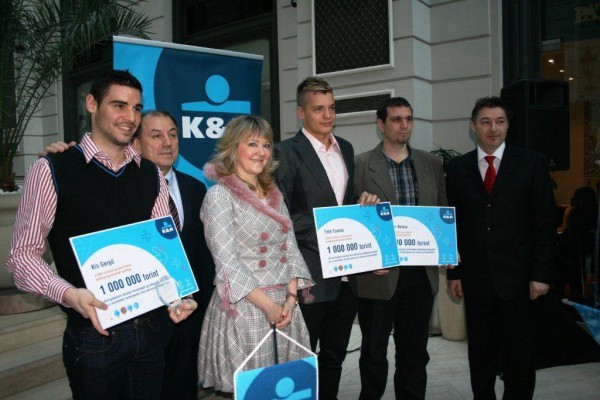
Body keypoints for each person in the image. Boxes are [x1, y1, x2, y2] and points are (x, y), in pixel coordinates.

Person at [6, 70, 196, 400]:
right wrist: (68, 294)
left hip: (150, 332)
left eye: (136, 108)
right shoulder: (52, 169)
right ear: (92, 104)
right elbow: (21, 256)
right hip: (92, 338)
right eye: (119, 106)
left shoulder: (150, 174)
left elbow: (162, 247)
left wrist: (178, 296)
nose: (130, 117)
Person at [41, 109, 216, 399]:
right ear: (135, 143)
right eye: (156, 136)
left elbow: (202, 256)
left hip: (184, 316)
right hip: (136, 321)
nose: (167, 143)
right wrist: (64, 159)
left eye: (173, 135)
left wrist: (199, 304)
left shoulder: (196, 188)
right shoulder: (118, 188)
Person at [275, 77, 378, 400]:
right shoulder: (285, 152)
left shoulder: (345, 148)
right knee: (302, 360)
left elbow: (342, 204)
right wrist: (330, 233)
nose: (327, 115)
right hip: (309, 276)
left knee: (334, 356)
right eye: (318, 109)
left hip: (346, 277)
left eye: (331, 108)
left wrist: (361, 205)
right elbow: (282, 215)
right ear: (301, 113)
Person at [446, 96, 556, 399]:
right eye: (486, 122)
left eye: (500, 121)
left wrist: (541, 274)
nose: (493, 128)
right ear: (473, 126)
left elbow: (544, 224)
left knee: (520, 356)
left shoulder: (531, 163)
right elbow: (453, 224)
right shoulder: (457, 168)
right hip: (477, 280)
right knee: (480, 356)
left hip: (520, 281)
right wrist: (455, 273)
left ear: (507, 126)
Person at [198, 115, 313, 394]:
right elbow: (227, 263)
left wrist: (290, 299)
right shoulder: (220, 197)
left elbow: (291, 249)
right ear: (233, 147)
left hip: (285, 308)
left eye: (266, 145)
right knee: (253, 391)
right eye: (252, 144)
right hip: (247, 308)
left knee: (289, 390)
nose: (261, 152)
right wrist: (269, 307)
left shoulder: (274, 195)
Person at [354, 97, 446, 399]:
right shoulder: (360, 165)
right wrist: (360, 206)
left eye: (408, 118)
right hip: (379, 275)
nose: (404, 125)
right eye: (396, 119)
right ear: (381, 125)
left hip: (420, 274)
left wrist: (447, 247)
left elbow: (442, 210)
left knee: (415, 352)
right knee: (373, 351)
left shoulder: (431, 164)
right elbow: (350, 218)